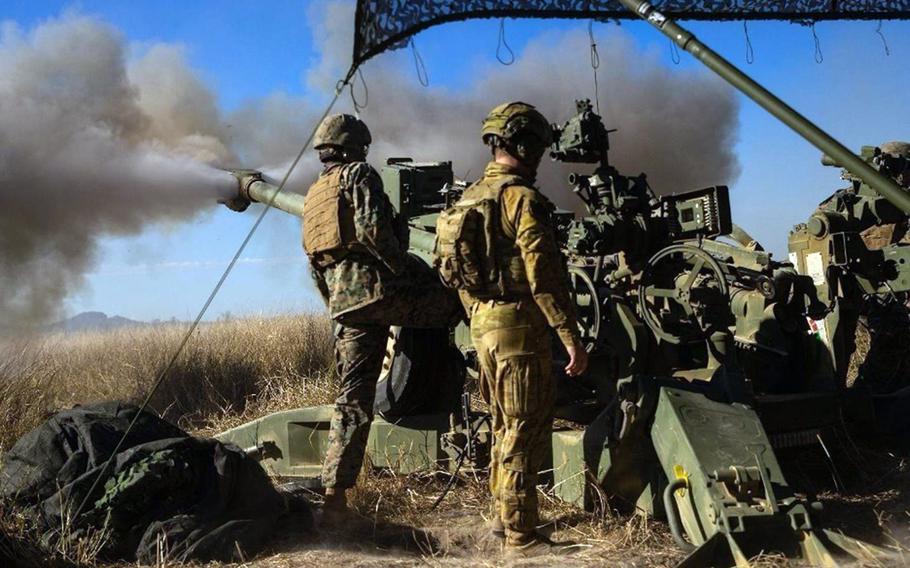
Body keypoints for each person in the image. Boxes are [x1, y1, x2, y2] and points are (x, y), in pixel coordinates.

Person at [438, 102, 588, 554]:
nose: (541, 156)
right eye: (538, 147)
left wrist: (481, 316)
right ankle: (522, 537)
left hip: (483, 324)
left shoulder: (467, 198)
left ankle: (504, 522)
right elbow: (544, 277)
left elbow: (452, 275)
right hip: (519, 326)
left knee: (504, 426)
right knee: (526, 427)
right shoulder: (520, 199)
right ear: (523, 145)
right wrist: (570, 339)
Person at [302, 114, 459, 519]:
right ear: (357, 146)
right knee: (457, 304)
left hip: (346, 305)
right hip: (379, 292)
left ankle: (334, 499)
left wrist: (335, 304)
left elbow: (314, 261)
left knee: (353, 399)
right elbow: (374, 230)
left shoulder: (315, 194)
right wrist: (404, 269)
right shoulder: (358, 174)